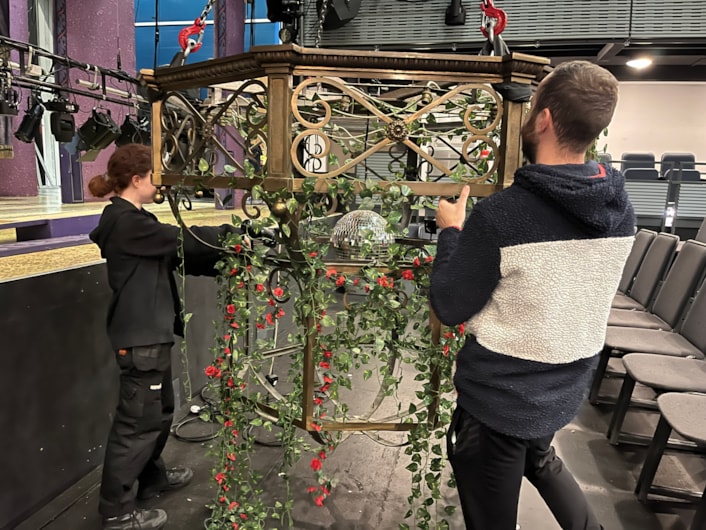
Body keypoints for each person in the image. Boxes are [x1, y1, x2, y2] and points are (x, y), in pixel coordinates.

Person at [430, 61, 635, 530]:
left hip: (501, 399)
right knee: (541, 459)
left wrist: (451, 232)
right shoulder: (621, 210)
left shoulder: (504, 216)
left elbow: (449, 304)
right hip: (563, 385)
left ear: (543, 119)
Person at [88, 143, 236, 530]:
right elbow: (184, 240)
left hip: (150, 337)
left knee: (157, 414)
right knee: (136, 424)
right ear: (137, 179)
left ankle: (151, 479)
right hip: (141, 339)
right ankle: (117, 512)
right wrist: (233, 235)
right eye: (156, 176)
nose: (161, 184)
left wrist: (230, 259)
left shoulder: (136, 221)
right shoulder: (127, 222)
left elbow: (180, 256)